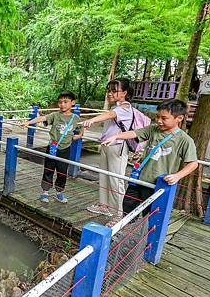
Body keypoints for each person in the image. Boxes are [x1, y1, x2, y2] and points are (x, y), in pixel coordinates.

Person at [102, 99, 199, 220]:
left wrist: (177, 176)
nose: (159, 121)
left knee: (150, 213)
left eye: (164, 118)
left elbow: (193, 163)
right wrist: (116, 136)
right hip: (139, 179)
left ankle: (143, 234)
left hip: (157, 184)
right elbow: (134, 133)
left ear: (179, 118)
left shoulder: (184, 140)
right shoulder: (153, 129)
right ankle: (126, 230)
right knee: (127, 205)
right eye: (157, 117)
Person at [82, 77, 134, 218]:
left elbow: (110, 115)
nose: (110, 94)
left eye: (114, 91)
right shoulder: (115, 107)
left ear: (124, 92)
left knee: (116, 180)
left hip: (117, 147)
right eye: (109, 91)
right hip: (106, 145)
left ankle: (119, 214)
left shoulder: (125, 108)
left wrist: (92, 120)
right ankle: (104, 205)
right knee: (104, 176)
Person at [20, 91, 83, 203]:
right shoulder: (55, 115)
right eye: (60, 102)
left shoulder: (76, 118)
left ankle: (59, 192)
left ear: (72, 102)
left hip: (65, 149)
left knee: (62, 171)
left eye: (65, 102)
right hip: (52, 147)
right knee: (48, 169)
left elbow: (79, 133)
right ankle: (45, 192)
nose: (62, 104)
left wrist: (73, 138)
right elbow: (42, 118)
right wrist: (29, 122)